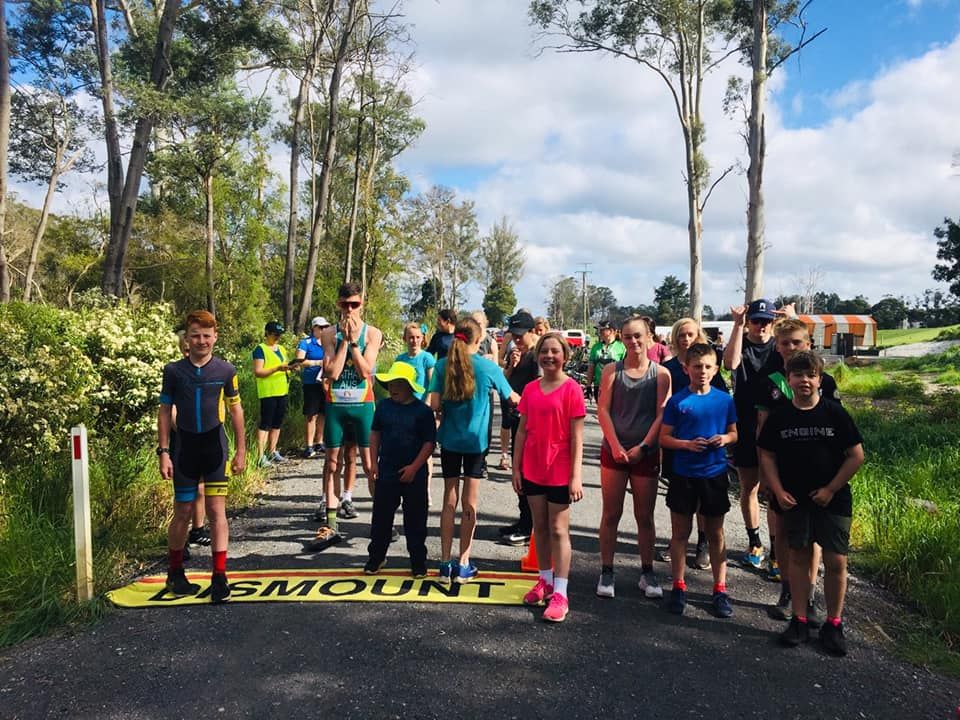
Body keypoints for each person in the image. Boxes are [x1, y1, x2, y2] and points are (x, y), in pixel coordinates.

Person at [758, 351, 864, 656]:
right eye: (798, 375)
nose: (804, 381)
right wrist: (777, 490)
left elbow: (856, 456)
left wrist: (831, 489)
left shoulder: (834, 414)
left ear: (820, 380)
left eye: (811, 375)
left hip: (832, 500)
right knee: (799, 560)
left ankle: (834, 623)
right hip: (794, 501)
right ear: (788, 379)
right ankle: (799, 619)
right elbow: (767, 454)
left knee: (835, 561)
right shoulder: (780, 417)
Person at [756, 318, 841, 620]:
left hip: (819, 472)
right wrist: (767, 478)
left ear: (808, 343)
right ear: (776, 346)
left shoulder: (825, 382)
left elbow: (837, 427)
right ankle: (787, 588)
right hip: (783, 470)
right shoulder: (769, 382)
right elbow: (762, 429)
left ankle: (811, 592)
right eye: (785, 343)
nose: (791, 348)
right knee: (782, 531)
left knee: (814, 538)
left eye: (797, 342)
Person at [158, 311, 245, 603]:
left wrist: (242, 450)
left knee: (216, 511)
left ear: (215, 338)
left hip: (214, 447)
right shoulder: (173, 371)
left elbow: (236, 411)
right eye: (195, 335)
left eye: (207, 336)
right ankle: (175, 572)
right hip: (184, 449)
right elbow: (163, 412)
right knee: (182, 512)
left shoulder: (225, 370)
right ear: (187, 337)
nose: (201, 341)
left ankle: (219, 577)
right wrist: (163, 452)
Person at [428, 317, 519, 584]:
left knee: (448, 500)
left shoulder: (443, 365)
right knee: (470, 503)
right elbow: (512, 398)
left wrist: (445, 405)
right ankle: (464, 562)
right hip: (476, 444)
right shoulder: (487, 367)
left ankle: (445, 564)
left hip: (449, 442)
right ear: (479, 340)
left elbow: (433, 403)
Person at [660, 342, 738, 618]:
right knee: (680, 533)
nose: (702, 371)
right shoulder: (677, 401)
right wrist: (685, 445)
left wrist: (725, 439)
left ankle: (719, 589)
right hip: (684, 475)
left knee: (715, 534)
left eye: (707, 367)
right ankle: (678, 586)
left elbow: (734, 433)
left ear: (716, 369)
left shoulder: (724, 400)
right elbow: (664, 438)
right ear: (686, 368)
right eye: (697, 367)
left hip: (714, 474)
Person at [596, 315, 671, 600]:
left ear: (649, 336)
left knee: (645, 515)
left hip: (645, 452)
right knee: (611, 513)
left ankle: (647, 570)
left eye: (638, 335)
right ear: (620, 338)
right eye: (628, 336)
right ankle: (606, 569)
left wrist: (644, 446)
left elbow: (661, 413)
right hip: (614, 450)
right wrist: (615, 445)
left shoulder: (661, 374)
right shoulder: (611, 371)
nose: (633, 341)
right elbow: (603, 410)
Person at [514, 332, 585, 622]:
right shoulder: (531, 389)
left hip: (559, 469)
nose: (549, 356)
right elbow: (521, 430)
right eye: (544, 351)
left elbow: (578, 438)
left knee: (558, 530)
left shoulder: (572, 390)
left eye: (555, 352)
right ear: (538, 355)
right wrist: (516, 468)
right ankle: (544, 581)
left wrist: (576, 476)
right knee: (539, 527)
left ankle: (561, 591)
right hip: (533, 467)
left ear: (565, 356)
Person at [311, 283, 382, 550]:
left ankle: (380, 522)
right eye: (345, 305)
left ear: (361, 303)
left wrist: (353, 341)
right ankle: (330, 523)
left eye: (354, 304)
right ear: (338, 305)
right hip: (336, 405)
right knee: (331, 462)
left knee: (369, 464)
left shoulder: (373, 333)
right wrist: (343, 341)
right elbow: (332, 372)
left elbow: (365, 370)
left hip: (363, 404)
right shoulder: (329, 333)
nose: (350, 310)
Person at [662, 318, 728, 571]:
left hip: (708, 452)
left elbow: (722, 406)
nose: (686, 339)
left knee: (708, 507)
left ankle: (702, 544)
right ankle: (677, 544)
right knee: (680, 504)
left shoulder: (709, 367)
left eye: (690, 334)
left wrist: (722, 437)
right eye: (681, 335)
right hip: (678, 444)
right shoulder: (668, 368)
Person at [723, 298, 784, 568]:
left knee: (773, 489)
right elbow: (730, 363)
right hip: (745, 422)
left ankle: (776, 549)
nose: (761, 326)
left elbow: (801, 352)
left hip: (775, 424)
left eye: (767, 321)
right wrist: (737, 326)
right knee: (749, 486)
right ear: (749, 322)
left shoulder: (779, 346)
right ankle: (754, 541)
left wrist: (795, 320)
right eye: (756, 321)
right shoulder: (742, 342)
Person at [364, 362, 437, 578]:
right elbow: (375, 434)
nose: (393, 388)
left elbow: (429, 443)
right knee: (381, 518)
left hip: (415, 473)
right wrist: (373, 462)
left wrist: (415, 467)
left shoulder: (423, 412)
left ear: (409, 386)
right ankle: (376, 558)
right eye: (391, 384)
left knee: (415, 520)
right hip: (387, 469)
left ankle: (417, 561)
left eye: (398, 384)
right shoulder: (384, 407)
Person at [498, 310, 541, 545]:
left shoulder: (537, 357)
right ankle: (523, 519)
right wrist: (511, 366)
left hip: (531, 424)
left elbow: (539, 390)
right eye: (513, 336)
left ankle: (529, 526)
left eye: (520, 336)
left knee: (527, 474)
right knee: (520, 474)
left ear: (532, 332)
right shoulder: (519, 354)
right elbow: (505, 381)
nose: (516, 340)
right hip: (517, 420)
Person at [172, 331, 210, 559]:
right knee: (183, 496)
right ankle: (180, 541)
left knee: (202, 487)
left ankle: (198, 529)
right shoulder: (176, 373)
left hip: (206, 441)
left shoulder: (210, 371)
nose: (191, 354)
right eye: (186, 350)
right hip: (184, 441)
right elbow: (171, 412)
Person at [252, 321, 292, 467]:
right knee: (266, 423)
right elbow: (258, 371)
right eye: (275, 334)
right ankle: (261, 455)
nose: (277, 337)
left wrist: (290, 368)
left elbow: (284, 366)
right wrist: (277, 368)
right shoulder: (260, 349)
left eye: (279, 335)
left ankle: (273, 451)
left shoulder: (281, 349)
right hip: (268, 392)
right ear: (267, 333)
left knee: (277, 422)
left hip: (282, 390)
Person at [297, 316, 330, 459]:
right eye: (321, 327)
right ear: (314, 328)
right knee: (312, 414)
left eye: (326, 327)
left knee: (323, 413)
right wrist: (317, 363)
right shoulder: (306, 343)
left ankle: (319, 442)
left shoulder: (328, 343)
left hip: (325, 382)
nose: (324, 330)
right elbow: (300, 360)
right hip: (311, 382)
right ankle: (309, 445)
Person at [586, 320, 626, 404]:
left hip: (616, 386)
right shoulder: (596, 347)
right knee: (601, 414)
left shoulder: (622, 347)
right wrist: (588, 385)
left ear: (611, 331)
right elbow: (591, 367)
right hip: (599, 385)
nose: (599, 332)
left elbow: (626, 369)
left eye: (601, 330)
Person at [396, 322, 436, 402]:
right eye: (411, 337)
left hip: (421, 403)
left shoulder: (427, 358)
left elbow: (433, 384)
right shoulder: (400, 359)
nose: (415, 340)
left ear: (422, 338)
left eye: (418, 337)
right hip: (403, 403)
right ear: (405, 338)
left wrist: (428, 402)